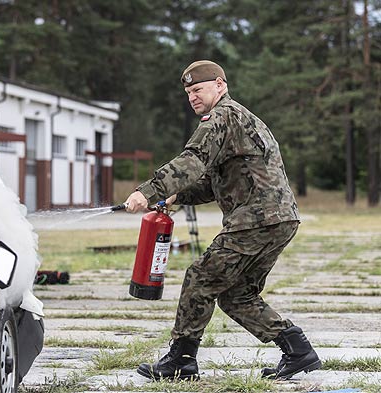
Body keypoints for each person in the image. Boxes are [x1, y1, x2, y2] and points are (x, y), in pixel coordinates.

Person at [124, 60, 322, 381]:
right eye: (188, 92)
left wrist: (148, 191)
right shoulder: (240, 119)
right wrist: (176, 196)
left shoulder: (222, 116)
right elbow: (213, 183)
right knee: (237, 295)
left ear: (220, 85)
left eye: (198, 89)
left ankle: (181, 361)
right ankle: (298, 351)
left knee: (200, 278)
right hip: (280, 219)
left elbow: (193, 160)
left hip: (254, 220)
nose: (192, 96)